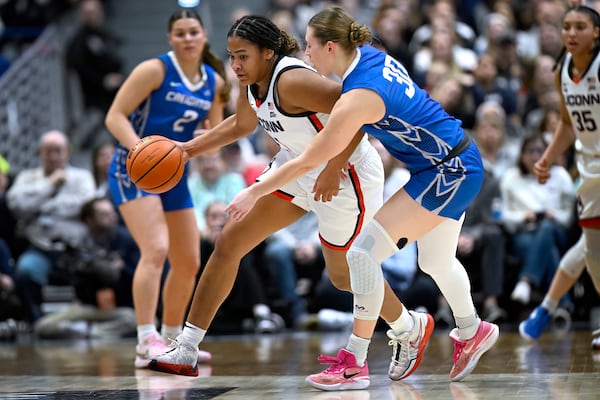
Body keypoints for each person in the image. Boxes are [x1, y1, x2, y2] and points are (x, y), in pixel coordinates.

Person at [223, 7, 500, 390]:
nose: (305, 55)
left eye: (309, 46)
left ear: (331, 47)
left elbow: (309, 158)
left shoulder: (359, 96)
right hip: (454, 161)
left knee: (361, 254)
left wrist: (255, 189)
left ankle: (354, 361)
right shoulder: (370, 54)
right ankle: (472, 329)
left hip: (446, 170)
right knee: (436, 260)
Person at [149, 14, 433, 384]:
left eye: (244, 56)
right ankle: (187, 347)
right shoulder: (249, 81)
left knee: (345, 276)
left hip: (346, 174)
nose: (235, 64)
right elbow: (240, 126)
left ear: (268, 53)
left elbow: (357, 111)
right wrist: (187, 149)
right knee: (230, 241)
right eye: (232, 55)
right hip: (297, 168)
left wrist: (333, 166)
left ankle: (409, 326)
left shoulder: (293, 80)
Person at [104, 9, 229, 369]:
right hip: (132, 168)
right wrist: (140, 150)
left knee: (189, 260)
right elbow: (114, 116)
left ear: (204, 35)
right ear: (170, 39)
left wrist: (208, 141)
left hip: (172, 172)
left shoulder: (214, 82)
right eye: (180, 33)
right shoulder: (154, 70)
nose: (187, 38)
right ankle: (146, 339)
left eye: (193, 32)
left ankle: (173, 338)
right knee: (156, 249)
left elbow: (216, 139)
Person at [526, 4, 600, 349]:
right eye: (566, 27)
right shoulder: (563, 71)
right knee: (592, 248)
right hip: (588, 169)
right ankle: (546, 308)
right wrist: (546, 158)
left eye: (580, 27)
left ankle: (546, 308)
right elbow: (568, 125)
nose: (571, 33)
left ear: (596, 32)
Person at [6, 130, 96, 323]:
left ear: (67, 153)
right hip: (40, 248)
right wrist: (49, 186)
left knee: (99, 273)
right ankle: (36, 323)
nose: (53, 156)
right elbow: (16, 204)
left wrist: (39, 206)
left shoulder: (82, 177)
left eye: (58, 150)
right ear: (40, 153)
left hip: (77, 250)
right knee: (25, 271)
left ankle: (86, 323)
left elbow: (85, 205)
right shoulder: (26, 177)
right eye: (48, 151)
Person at [34, 197, 139, 339]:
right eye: (104, 214)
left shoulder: (125, 239)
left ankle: (88, 332)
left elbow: (119, 275)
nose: (111, 218)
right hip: (86, 306)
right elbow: (63, 274)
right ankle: (90, 331)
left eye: (111, 213)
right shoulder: (77, 242)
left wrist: (94, 266)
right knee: (43, 326)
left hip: (117, 308)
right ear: (89, 219)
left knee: (136, 320)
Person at [501, 134, 575, 306]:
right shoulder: (511, 177)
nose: (535, 156)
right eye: (530, 151)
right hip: (524, 233)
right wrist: (522, 216)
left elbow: (569, 217)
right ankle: (562, 306)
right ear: (521, 155)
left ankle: (526, 281)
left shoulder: (560, 176)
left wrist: (554, 215)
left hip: (557, 230)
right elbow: (503, 215)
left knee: (547, 228)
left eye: (540, 151)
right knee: (549, 252)